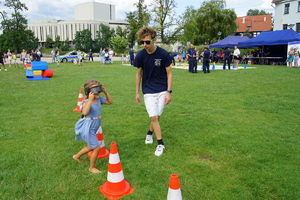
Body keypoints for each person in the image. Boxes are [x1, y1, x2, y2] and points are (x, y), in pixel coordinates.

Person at [134, 26, 172, 156]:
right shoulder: (140, 55)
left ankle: (149, 133)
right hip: (148, 91)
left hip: (162, 89)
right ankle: (160, 144)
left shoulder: (163, 54)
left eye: (147, 42)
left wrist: (169, 91)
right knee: (154, 116)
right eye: (142, 42)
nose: (144, 45)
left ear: (154, 40)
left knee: (157, 116)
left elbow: (169, 73)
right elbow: (138, 74)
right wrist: (137, 92)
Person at [73, 79, 113, 173]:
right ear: (89, 92)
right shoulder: (86, 102)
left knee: (90, 146)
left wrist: (106, 92)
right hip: (88, 127)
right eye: (95, 90)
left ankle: (76, 156)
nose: (98, 92)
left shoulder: (99, 99)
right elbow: (85, 112)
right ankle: (92, 168)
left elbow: (110, 102)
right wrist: (90, 100)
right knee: (96, 147)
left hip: (94, 126)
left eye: (99, 88)